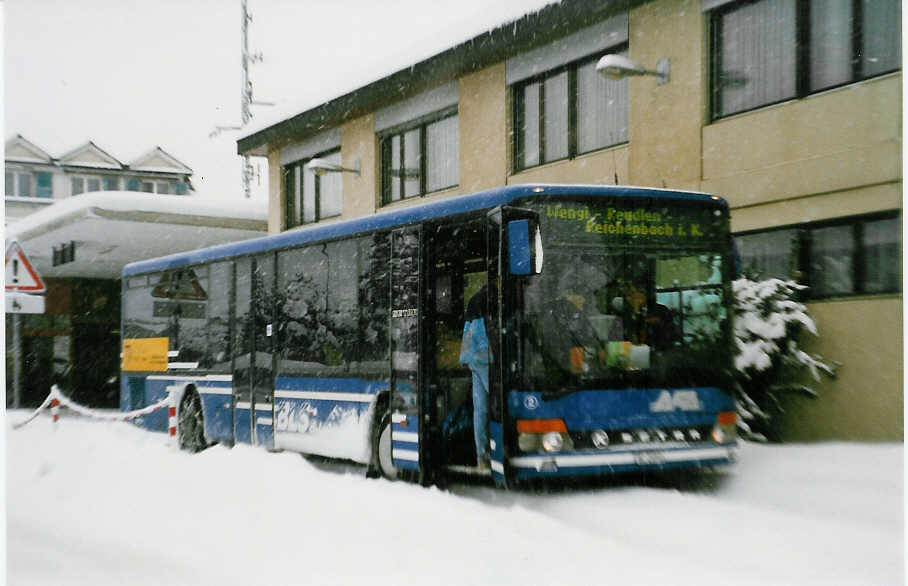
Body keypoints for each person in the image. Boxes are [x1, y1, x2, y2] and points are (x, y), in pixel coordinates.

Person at [460, 284, 491, 471]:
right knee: (498, 405)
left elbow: (469, 330)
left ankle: (482, 456)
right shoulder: (493, 297)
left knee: (480, 409)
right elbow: (485, 334)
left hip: (473, 359)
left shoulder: (475, 298)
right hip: (485, 357)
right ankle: (495, 451)